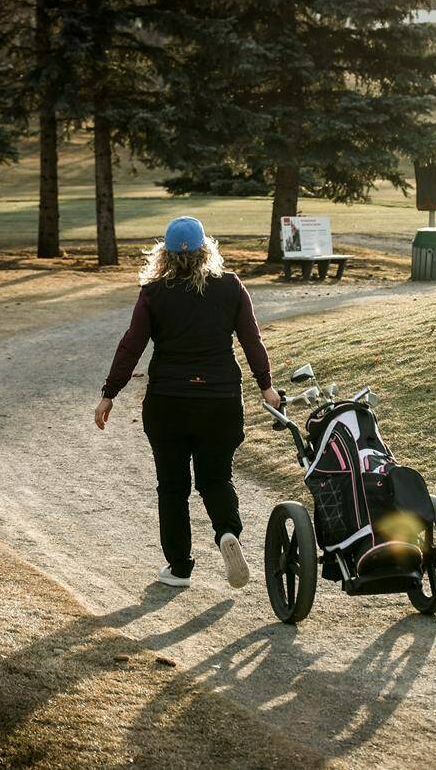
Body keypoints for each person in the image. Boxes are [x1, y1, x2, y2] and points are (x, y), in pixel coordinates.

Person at [94, 216, 281, 590]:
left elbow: (132, 344)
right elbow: (252, 340)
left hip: (169, 402)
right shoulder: (230, 287)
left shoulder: (153, 292)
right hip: (220, 401)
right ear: (205, 250)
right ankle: (227, 532)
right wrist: (267, 388)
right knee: (216, 478)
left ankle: (179, 568)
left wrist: (109, 394)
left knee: (173, 487)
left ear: (163, 253)